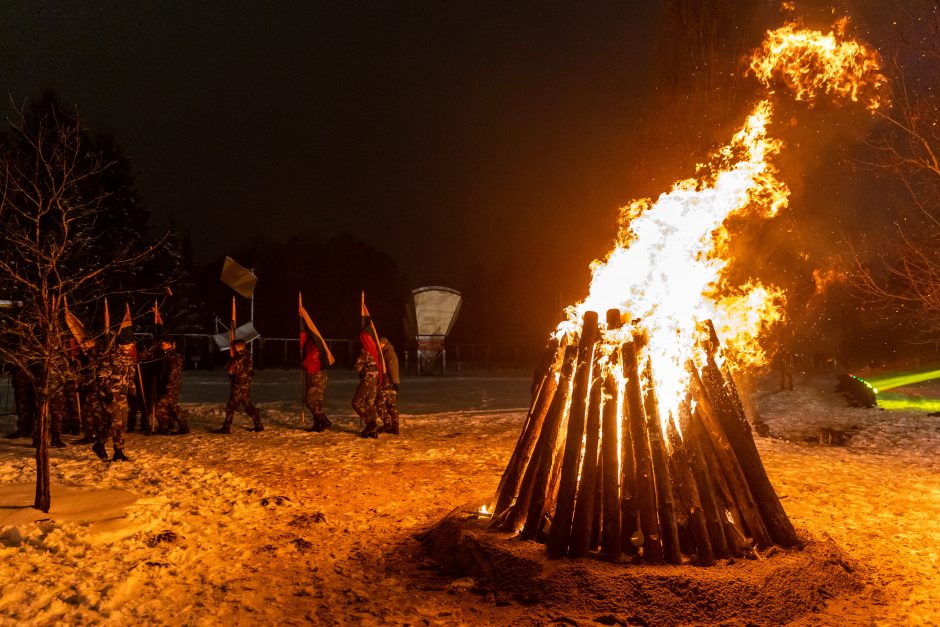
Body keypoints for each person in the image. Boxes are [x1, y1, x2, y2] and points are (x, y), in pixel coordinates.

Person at [93, 336, 137, 462]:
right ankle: (100, 444)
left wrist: (133, 394)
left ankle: (118, 451)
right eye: (127, 345)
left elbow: (130, 378)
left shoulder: (129, 359)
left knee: (122, 424)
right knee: (115, 422)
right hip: (110, 395)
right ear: (119, 345)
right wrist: (107, 393)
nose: (129, 347)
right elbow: (101, 377)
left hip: (122, 395)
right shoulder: (109, 358)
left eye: (130, 345)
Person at [215, 339, 263, 434]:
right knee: (248, 405)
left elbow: (230, 370)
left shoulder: (237, 359)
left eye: (233, 347)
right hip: (246, 385)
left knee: (231, 406)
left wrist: (231, 360)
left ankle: (226, 427)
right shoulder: (248, 357)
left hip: (238, 385)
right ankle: (258, 424)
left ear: (237, 347)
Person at [154, 338, 188, 435]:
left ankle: (165, 427)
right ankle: (181, 426)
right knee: (172, 407)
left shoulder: (173, 357)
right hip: (169, 386)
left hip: (170, 387)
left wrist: (168, 386)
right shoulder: (167, 356)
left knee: (161, 407)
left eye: (163, 343)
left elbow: (173, 373)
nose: (161, 345)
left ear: (169, 344)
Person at [300, 329, 331, 432]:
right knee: (315, 400)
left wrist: (304, 362)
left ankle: (323, 420)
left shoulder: (315, 344)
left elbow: (312, 358)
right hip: (315, 374)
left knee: (310, 400)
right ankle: (318, 424)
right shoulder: (313, 342)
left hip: (316, 374)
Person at [352, 336, 382, 438]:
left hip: (367, 379)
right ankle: (373, 430)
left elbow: (358, 365)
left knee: (357, 402)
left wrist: (361, 373)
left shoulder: (365, 350)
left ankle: (370, 423)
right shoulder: (377, 350)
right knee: (370, 403)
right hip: (375, 379)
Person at [375, 337, 400, 435]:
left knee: (379, 403)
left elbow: (392, 368)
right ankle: (395, 426)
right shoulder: (390, 352)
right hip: (391, 383)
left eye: (380, 344)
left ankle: (387, 424)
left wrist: (394, 382)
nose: (379, 346)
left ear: (383, 344)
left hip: (387, 383)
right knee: (391, 405)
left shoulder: (388, 353)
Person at [6, 364, 36, 439]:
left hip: (33, 380)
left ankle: (32, 429)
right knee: (22, 406)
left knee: (33, 406)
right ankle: (24, 429)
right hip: (22, 380)